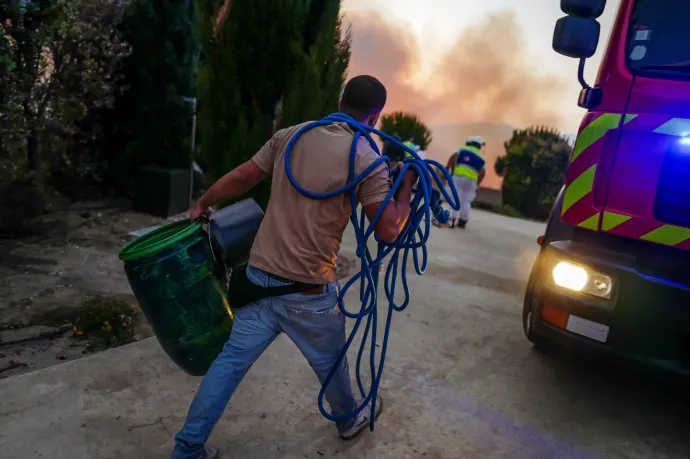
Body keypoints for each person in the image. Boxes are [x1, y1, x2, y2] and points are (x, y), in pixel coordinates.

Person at [170, 75, 417, 459]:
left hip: (258, 280)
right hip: (308, 294)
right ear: (375, 116)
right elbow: (387, 230)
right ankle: (349, 420)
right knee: (332, 362)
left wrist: (204, 201)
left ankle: (187, 447)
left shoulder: (292, 135)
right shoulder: (366, 157)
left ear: (339, 99)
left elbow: (243, 177)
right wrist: (406, 188)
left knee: (229, 364)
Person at [445, 135, 486, 229]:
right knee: (466, 201)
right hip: (471, 181)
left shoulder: (463, 149)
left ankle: (451, 220)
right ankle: (463, 221)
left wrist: (447, 167)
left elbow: (453, 156)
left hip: (458, 177)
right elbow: (483, 172)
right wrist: (477, 184)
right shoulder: (481, 157)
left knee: (455, 198)